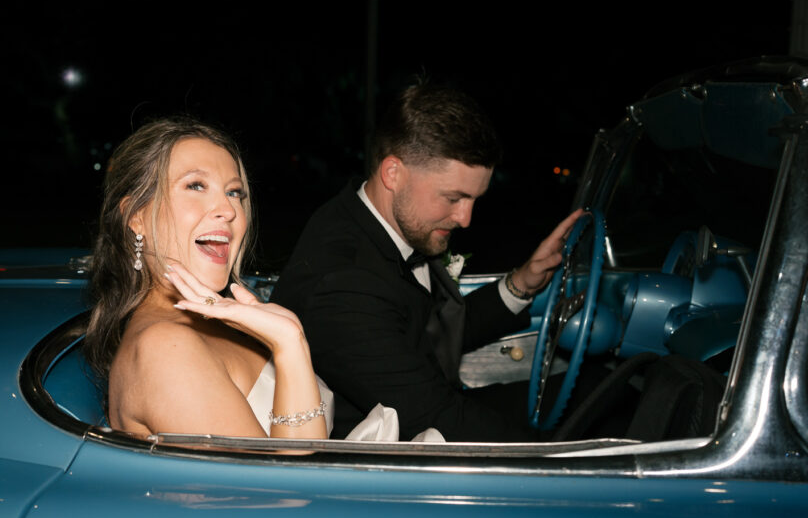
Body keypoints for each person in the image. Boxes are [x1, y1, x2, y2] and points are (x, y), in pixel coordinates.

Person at [84, 116, 434, 442]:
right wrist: (289, 343)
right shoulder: (163, 349)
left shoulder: (217, 317)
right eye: (196, 185)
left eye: (234, 192)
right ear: (136, 217)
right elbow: (282, 484)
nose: (229, 210)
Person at [270, 81, 584, 441]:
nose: (465, 218)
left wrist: (521, 283)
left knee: (593, 389)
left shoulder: (383, 221)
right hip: (395, 447)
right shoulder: (344, 284)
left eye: (475, 199)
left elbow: (433, 332)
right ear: (393, 173)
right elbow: (436, 417)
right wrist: (553, 454)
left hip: (432, 400)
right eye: (453, 198)